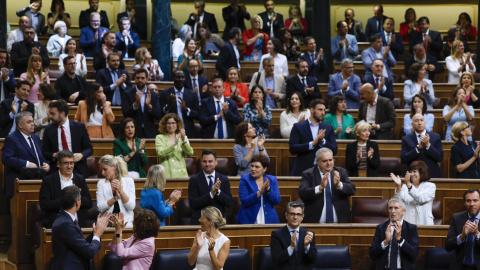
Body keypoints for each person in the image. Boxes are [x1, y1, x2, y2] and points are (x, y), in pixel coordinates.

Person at [51, 186, 110, 269]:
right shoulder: (65, 224)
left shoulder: (65, 220)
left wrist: (95, 233)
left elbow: (80, 245)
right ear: (77, 202)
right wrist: (98, 234)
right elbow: (89, 251)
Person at [298, 148, 356, 223]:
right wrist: (320, 188)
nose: (329, 163)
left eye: (330, 160)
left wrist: (339, 184)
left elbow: (352, 190)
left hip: (340, 222)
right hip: (315, 223)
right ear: (317, 161)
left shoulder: (341, 172)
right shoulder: (308, 174)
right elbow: (302, 193)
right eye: (325, 161)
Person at [1, 111, 49, 198]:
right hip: (19, 181)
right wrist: (26, 164)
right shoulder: (12, 139)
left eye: (32, 121)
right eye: (29, 122)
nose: (32, 124)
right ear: (20, 125)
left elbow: (39, 157)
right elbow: (6, 158)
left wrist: (46, 165)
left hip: (37, 180)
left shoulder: (36, 138)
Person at [39, 150, 92, 228]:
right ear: (58, 164)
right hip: (56, 223)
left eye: (71, 163)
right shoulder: (48, 180)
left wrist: (78, 197)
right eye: (66, 163)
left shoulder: (80, 179)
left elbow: (89, 203)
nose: (69, 166)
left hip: (77, 224)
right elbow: (44, 204)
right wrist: (67, 200)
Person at [42, 99, 93, 179]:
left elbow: (89, 148)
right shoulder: (48, 129)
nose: (50, 116)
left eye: (52, 114)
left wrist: (81, 155)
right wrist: (54, 155)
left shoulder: (79, 127)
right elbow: (44, 152)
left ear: (62, 114)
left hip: (77, 168)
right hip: (57, 169)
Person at [289, 99, 337, 176]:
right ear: (312, 110)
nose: (323, 113)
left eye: (324, 110)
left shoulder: (328, 127)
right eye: (320, 110)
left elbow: (334, 150)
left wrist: (323, 142)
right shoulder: (298, 126)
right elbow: (292, 148)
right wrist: (312, 144)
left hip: (324, 171)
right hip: (303, 169)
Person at [369, 197, 419, 270]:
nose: (392, 211)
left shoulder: (411, 228)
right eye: (390, 208)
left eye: (396, 208)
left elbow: (414, 253)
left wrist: (400, 240)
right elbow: (372, 254)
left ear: (403, 211)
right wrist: (385, 242)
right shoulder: (381, 228)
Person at [188, 149, 233, 225]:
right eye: (204, 161)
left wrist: (218, 192)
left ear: (216, 162)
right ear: (201, 162)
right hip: (201, 221)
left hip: (219, 221)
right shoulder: (194, 180)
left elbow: (229, 203)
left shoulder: (224, 179)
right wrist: (211, 194)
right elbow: (193, 203)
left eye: (210, 161)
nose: (207, 164)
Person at [270, 201, 317, 270]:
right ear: (286, 215)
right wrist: (291, 247)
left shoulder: (308, 234)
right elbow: (276, 260)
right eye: (292, 214)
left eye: (298, 214)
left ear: (302, 217)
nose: (295, 217)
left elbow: (313, 260)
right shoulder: (277, 234)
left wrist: (307, 246)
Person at [236, 155, 280, 224]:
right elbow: (244, 201)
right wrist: (260, 192)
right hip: (249, 219)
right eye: (252, 166)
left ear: (264, 169)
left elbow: (277, 200)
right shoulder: (245, 179)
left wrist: (268, 189)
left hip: (269, 219)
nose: (253, 169)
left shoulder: (272, 179)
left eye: (257, 167)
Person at [390, 161, 436, 225]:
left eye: (414, 171)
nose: (412, 174)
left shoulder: (430, 186)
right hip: (408, 223)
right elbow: (399, 202)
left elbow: (421, 198)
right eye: (410, 172)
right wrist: (398, 186)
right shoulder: (405, 187)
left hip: (425, 224)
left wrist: (409, 185)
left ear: (422, 172)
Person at [121, 68, 161, 139]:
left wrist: (149, 106)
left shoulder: (153, 95)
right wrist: (135, 104)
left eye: (142, 78)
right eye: (138, 78)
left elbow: (158, 116)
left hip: (150, 131)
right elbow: (125, 114)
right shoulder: (127, 94)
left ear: (147, 79)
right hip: (133, 132)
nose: (140, 80)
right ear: (134, 78)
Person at [97, 154, 136, 227]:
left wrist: (121, 191)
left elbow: (131, 206)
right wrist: (115, 198)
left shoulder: (128, 181)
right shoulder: (101, 183)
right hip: (107, 225)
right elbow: (100, 208)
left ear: (114, 166)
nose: (102, 173)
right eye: (101, 170)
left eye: (105, 169)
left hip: (125, 225)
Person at [446, 188, 480, 269]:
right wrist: (461, 237)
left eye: (475, 200)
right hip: (460, 267)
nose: (472, 204)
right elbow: (448, 246)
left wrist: (477, 235)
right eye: (468, 201)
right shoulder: (457, 218)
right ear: (464, 203)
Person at [159, 70, 200, 138]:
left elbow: (197, 115)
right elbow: (160, 114)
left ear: (185, 79)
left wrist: (186, 109)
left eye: (182, 77)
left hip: (188, 131)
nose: (180, 79)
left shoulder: (192, 94)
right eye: (178, 77)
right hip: (170, 131)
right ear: (173, 79)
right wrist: (168, 106)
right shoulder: (165, 93)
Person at [155, 113, 194, 178]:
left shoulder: (183, 137)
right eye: (168, 123)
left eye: (173, 123)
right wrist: (174, 144)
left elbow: (190, 153)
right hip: (167, 174)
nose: (171, 125)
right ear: (164, 125)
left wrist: (184, 140)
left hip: (181, 174)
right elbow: (160, 153)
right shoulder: (159, 137)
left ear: (177, 124)